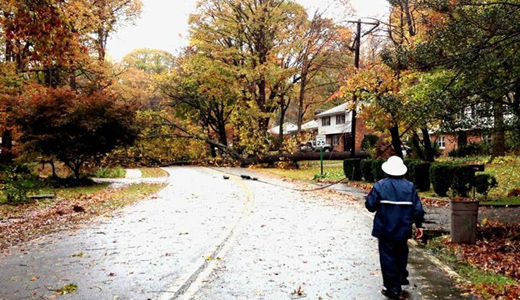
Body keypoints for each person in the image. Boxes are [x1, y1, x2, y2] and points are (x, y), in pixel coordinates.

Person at [365, 156, 425, 299]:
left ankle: (393, 288)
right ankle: (400, 278)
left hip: (385, 229)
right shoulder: (410, 187)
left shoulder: (380, 185)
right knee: (401, 254)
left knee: (387, 258)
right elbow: (418, 209)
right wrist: (419, 226)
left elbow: (371, 206)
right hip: (403, 229)